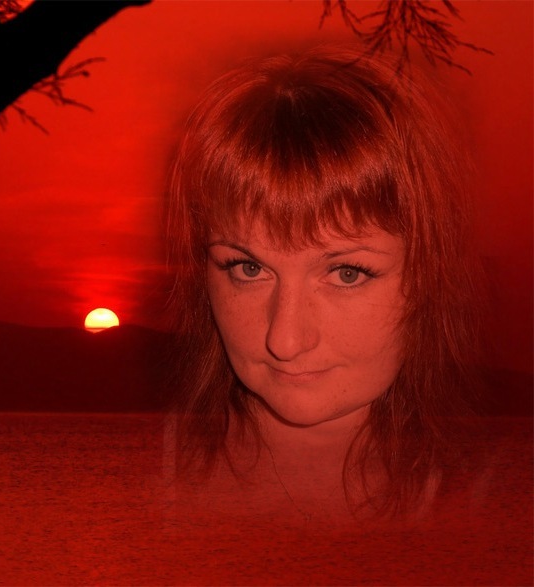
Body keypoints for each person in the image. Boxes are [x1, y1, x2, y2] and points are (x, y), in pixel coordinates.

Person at [161, 46, 532, 585]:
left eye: (347, 273)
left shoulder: (502, 510)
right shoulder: (131, 471)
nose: (285, 340)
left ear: (430, 277)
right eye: (248, 268)